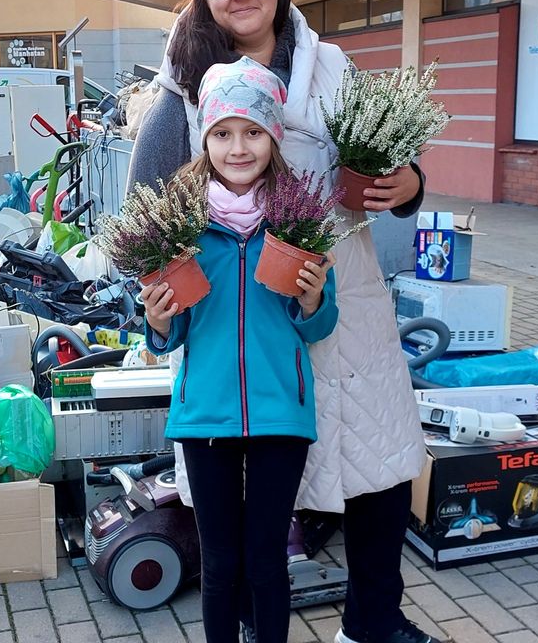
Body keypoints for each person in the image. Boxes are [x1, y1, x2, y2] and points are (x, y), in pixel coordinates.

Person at [129, 0, 435, 643]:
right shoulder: (180, 92)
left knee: (378, 463)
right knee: (249, 510)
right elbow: (144, 210)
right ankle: (247, 621)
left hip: (341, 295)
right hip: (238, 323)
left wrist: (411, 182)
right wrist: (159, 304)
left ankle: (373, 620)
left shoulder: (331, 69)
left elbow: (388, 155)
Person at [142, 56, 337, 643]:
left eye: (253, 131)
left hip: (282, 413)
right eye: (223, 133)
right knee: (221, 563)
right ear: (205, 139)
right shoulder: (180, 225)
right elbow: (169, 333)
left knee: (268, 561)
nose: (238, 147)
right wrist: (155, 320)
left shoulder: (297, 220)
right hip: (206, 414)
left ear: (273, 139)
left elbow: (320, 325)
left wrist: (312, 302)